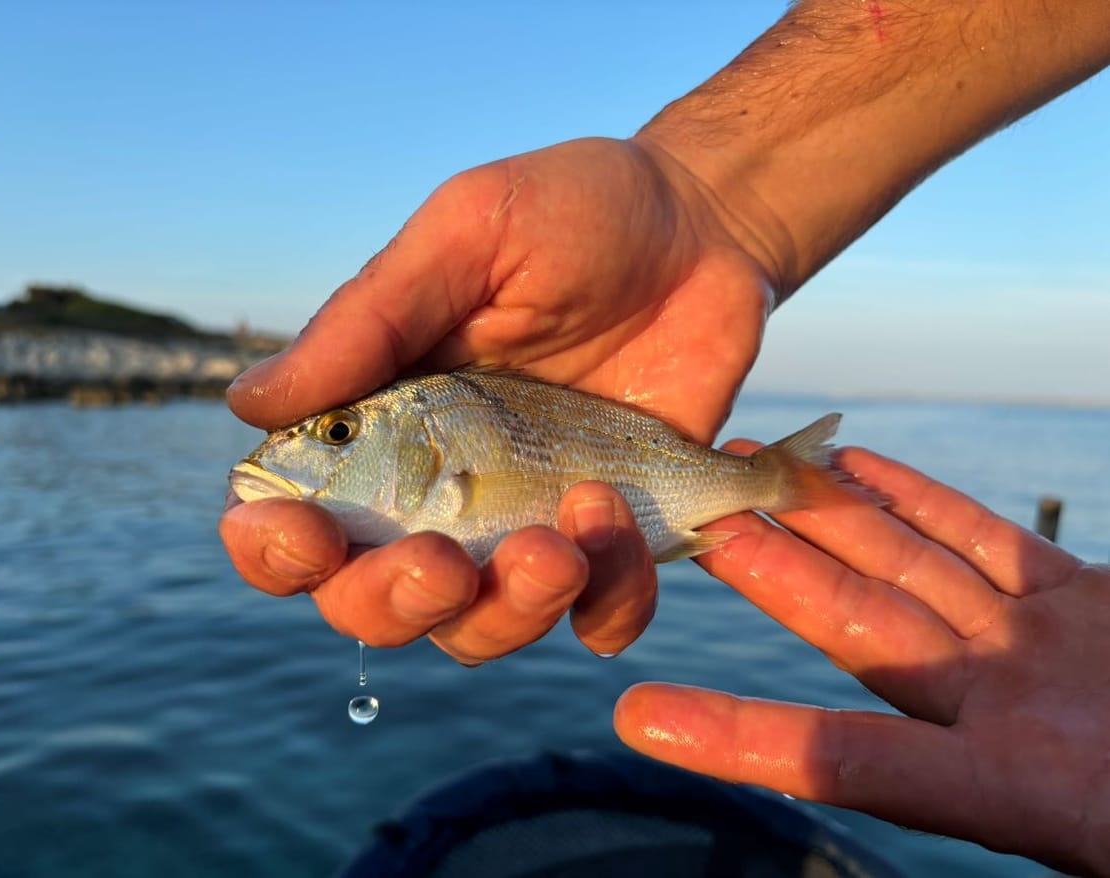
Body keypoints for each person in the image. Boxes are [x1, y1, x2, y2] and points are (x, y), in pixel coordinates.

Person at [220, 1, 1110, 872]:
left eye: (338, 430)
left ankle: (784, 479)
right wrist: (703, 197)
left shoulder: (436, 426)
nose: (312, 441)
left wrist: (707, 197)